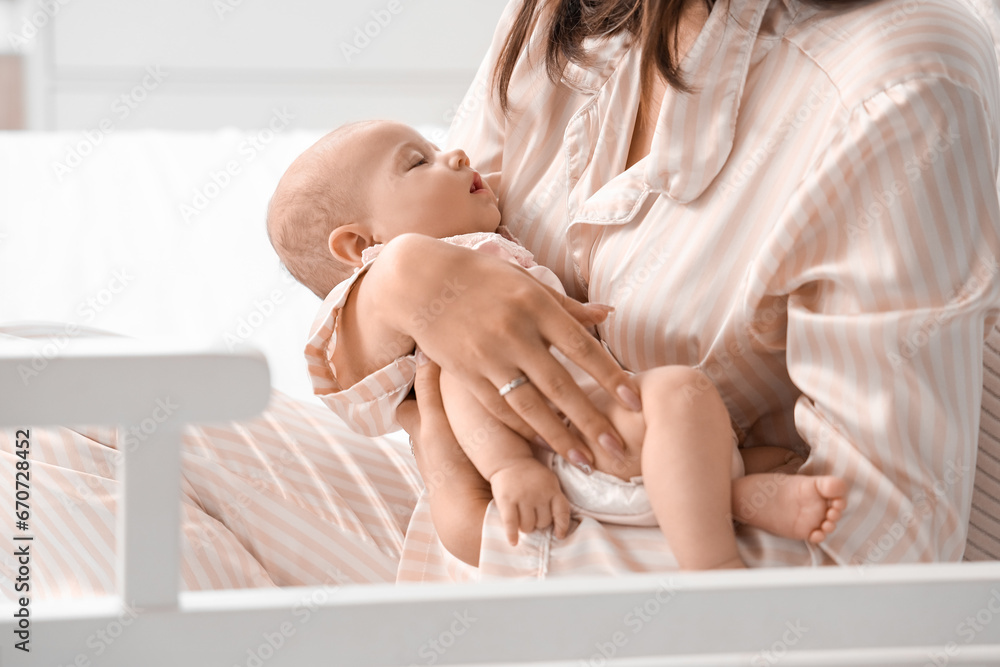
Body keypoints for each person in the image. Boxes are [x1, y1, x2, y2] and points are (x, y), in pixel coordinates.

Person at [294, 0, 999, 578]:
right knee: (191, 462)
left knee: (678, 403)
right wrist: (400, 282)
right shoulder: (560, 20)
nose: (446, 156)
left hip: (653, 554)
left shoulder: (895, 82)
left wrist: (480, 533)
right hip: (523, 490)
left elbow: (878, 569)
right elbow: (382, 372)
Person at [266, 119, 848, 569]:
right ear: (362, 244)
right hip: (563, 454)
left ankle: (740, 498)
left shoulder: (489, 247)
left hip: (599, 441)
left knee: (774, 455)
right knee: (679, 393)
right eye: (417, 162)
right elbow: (455, 389)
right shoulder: (445, 295)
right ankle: (714, 571)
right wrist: (510, 466)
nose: (457, 155)